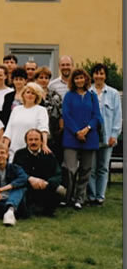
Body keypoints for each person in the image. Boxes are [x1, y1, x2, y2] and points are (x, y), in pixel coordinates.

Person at [62, 68, 103, 210]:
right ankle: (67, 197)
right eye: (76, 78)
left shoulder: (92, 96)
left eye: (82, 78)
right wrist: (76, 132)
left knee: (86, 169)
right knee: (70, 169)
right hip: (71, 137)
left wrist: (87, 129)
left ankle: (80, 198)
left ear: (86, 79)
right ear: (73, 80)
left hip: (90, 137)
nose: (79, 80)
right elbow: (66, 115)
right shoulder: (68, 96)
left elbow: (97, 116)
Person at [88, 63, 122, 205]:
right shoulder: (87, 92)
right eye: (96, 73)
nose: (99, 76)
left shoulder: (113, 93)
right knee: (92, 168)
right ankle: (91, 195)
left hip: (107, 136)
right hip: (91, 137)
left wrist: (114, 135)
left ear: (105, 75)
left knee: (103, 167)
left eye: (101, 73)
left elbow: (117, 116)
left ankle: (100, 196)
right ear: (92, 75)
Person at [13, 129, 63, 216]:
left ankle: (48, 210)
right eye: (30, 139)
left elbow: (58, 174)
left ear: (41, 141)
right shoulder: (19, 154)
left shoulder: (48, 154)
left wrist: (47, 183)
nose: (33, 142)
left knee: (61, 190)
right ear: (26, 141)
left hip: (45, 186)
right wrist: (30, 180)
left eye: (36, 139)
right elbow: (16, 173)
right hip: (27, 186)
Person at [2, 83, 50, 160]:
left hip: (32, 150)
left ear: (37, 96)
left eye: (33, 93)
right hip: (14, 151)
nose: (30, 95)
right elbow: (9, 130)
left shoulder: (41, 110)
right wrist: (5, 147)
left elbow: (43, 129)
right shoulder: (16, 109)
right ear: (23, 94)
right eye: (28, 92)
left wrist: (44, 144)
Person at [35, 66, 64, 162]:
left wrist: (60, 129)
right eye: (41, 77)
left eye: (46, 78)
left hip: (53, 131)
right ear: (36, 79)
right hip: (36, 130)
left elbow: (61, 114)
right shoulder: (31, 94)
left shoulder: (55, 95)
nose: (43, 80)